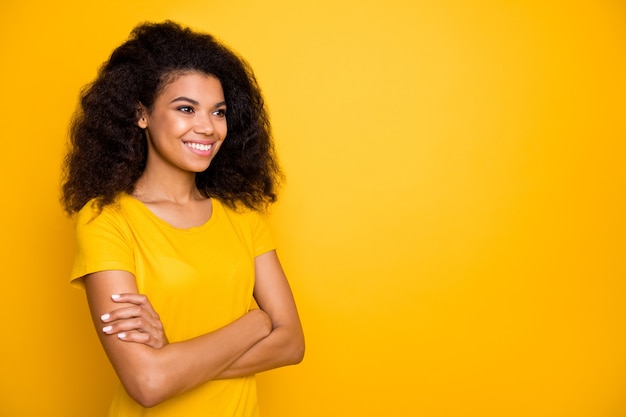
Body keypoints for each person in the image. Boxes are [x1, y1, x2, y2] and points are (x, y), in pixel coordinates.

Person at [61, 20, 304, 416]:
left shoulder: (243, 218)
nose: (207, 127)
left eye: (218, 112)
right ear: (141, 114)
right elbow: (147, 383)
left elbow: (292, 344)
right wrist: (256, 324)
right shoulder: (107, 220)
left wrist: (172, 358)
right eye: (185, 108)